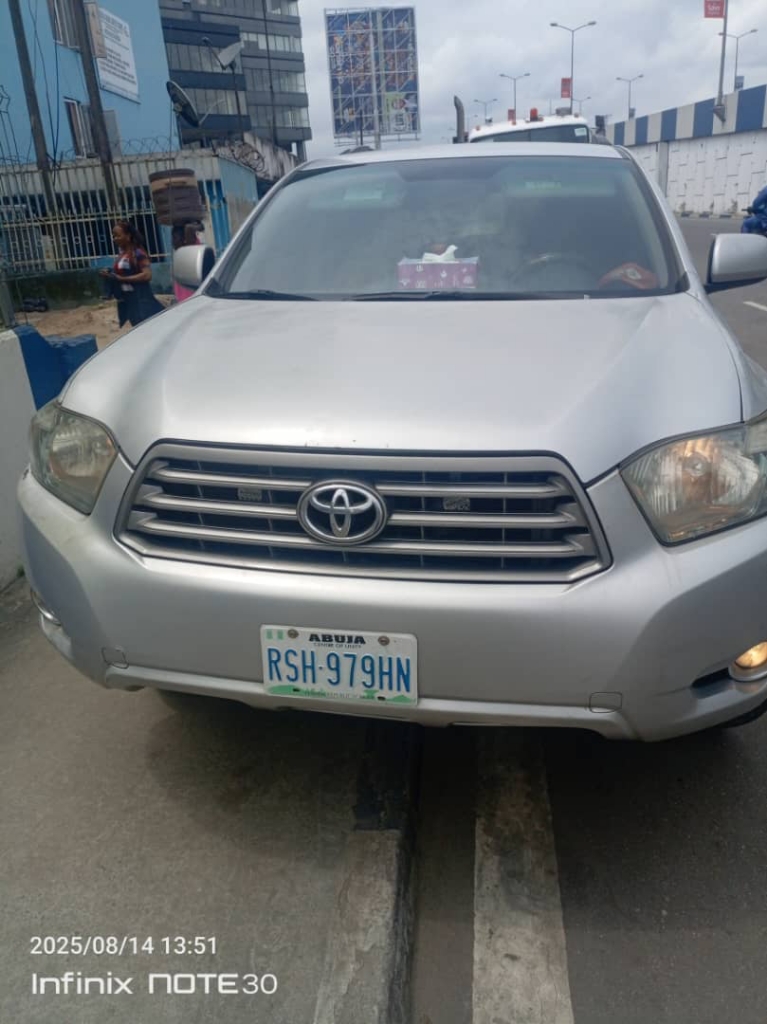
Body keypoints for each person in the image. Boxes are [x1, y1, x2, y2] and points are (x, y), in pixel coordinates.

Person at [100, 220, 164, 326]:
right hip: (129, 301)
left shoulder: (138, 253)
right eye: (113, 236)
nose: (115, 239)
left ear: (128, 236)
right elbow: (121, 273)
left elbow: (147, 275)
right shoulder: (122, 255)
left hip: (142, 300)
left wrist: (122, 279)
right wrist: (109, 273)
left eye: (118, 235)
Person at [171, 222, 202, 304]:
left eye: (175, 237)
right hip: (185, 301)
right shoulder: (180, 253)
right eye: (173, 238)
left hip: (192, 300)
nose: (173, 242)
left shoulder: (193, 249)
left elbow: (192, 230)